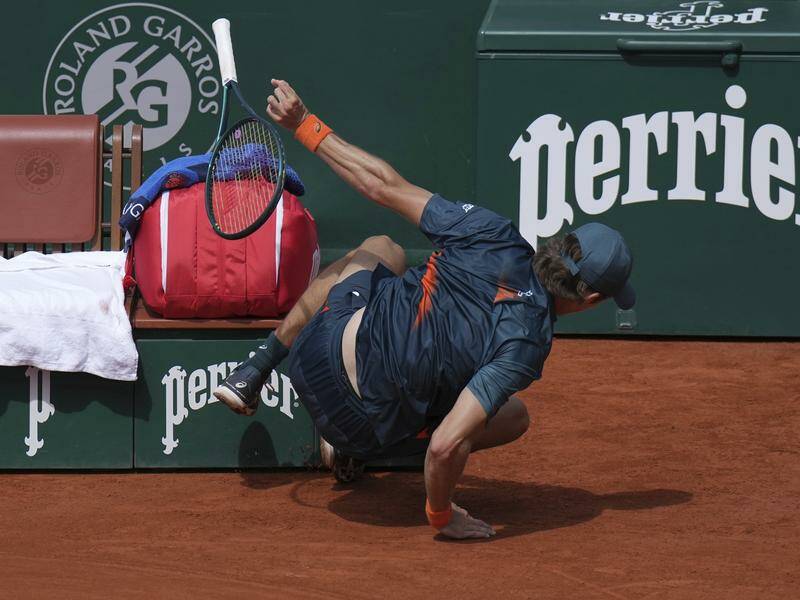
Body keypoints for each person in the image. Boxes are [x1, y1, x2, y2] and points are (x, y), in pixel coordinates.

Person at [213, 79, 635, 540]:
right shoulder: (527, 342)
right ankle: (368, 449)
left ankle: (258, 366)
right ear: (590, 299)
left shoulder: (491, 232)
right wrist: (441, 515)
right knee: (512, 416)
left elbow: (382, 184)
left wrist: (303, 125)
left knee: (379, 249)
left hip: (313, 356)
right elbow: (445, 446)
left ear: (557, 244)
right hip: (360, 427)